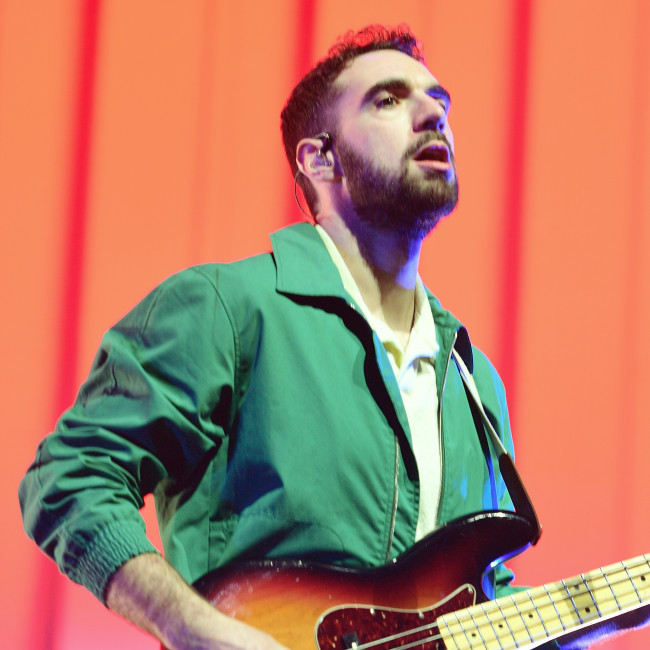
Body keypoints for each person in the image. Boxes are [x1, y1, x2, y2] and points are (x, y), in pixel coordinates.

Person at [21, 24, 639, 650]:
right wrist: (193, 629)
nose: (434, 115)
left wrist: (607, 610)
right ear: (320, 160)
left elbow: (482, 600)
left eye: (440, 103)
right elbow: (70, 476)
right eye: (389, 99)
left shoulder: (474, 383)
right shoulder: (226, 308)